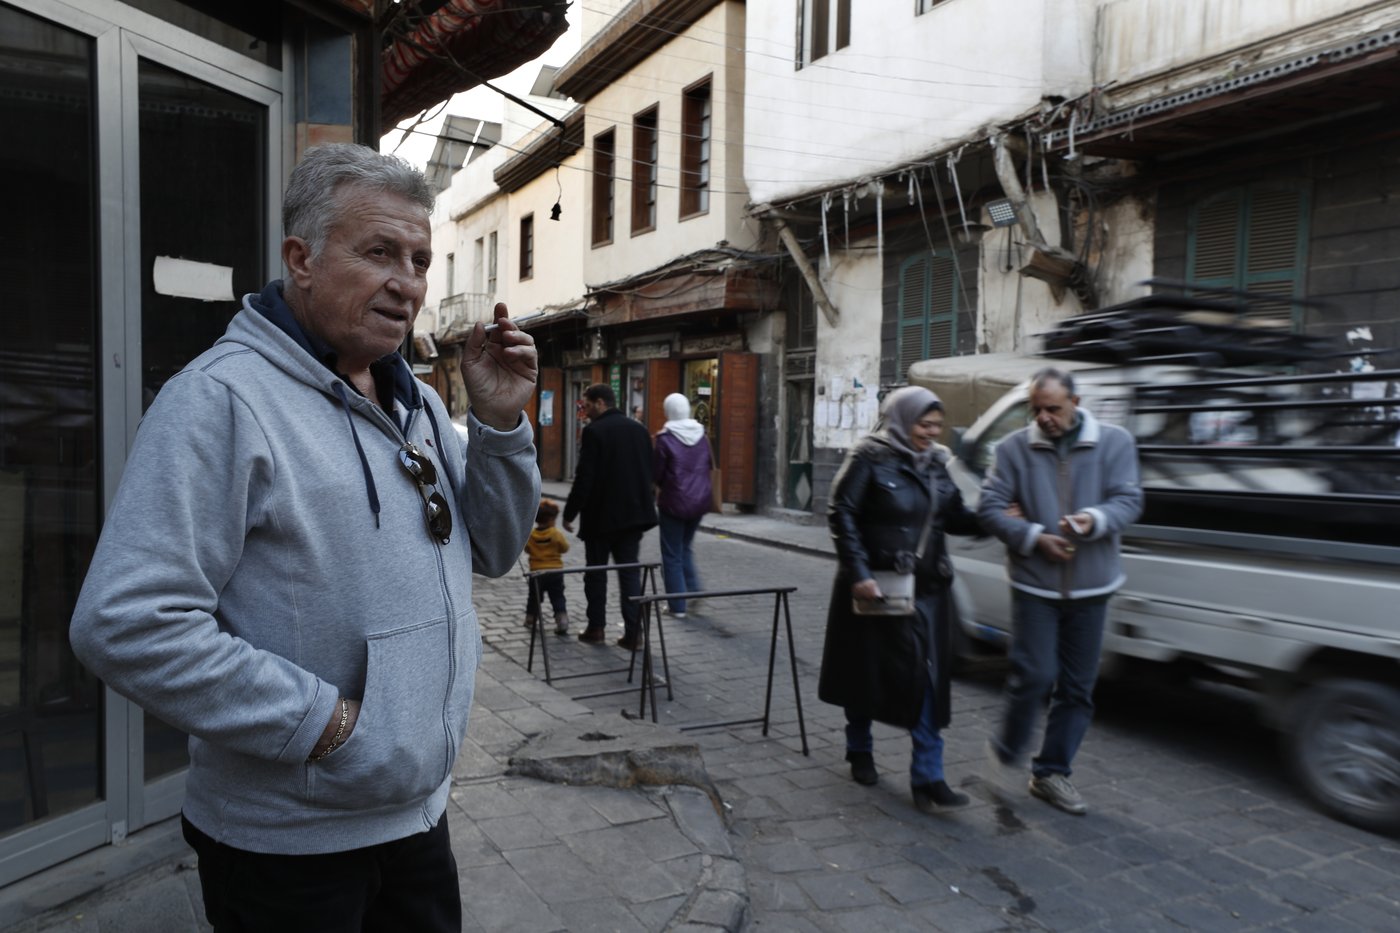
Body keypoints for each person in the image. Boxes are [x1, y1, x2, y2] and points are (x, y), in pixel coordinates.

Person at [69, 143, 540, 930]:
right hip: (291, 847)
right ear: (303, 259)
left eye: (421, 259)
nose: (408, 282)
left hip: (417, 815)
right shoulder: (220, 401)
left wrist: (497, 424)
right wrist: (328, 726)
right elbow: (125, 622)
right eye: (380, 252)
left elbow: (493, 548)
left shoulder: (416, 402)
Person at [978, 367, 1143, 815]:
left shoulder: (1115, 443)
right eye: (1036, 409)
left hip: (1094, 586)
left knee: (1078, 688)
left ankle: (1051, 773)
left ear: (1075, 402)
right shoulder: (1013, 448)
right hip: (1035, 586)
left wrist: (1094, 520)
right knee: (1033, 675)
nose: (1044, 418)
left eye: (1053, 408)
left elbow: (1130, 500)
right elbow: (990, 507)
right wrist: (1034, 537)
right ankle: (1007, 747)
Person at [817, 386, 982, 813]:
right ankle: (859, 748)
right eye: (923, 424)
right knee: (865, 671)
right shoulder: (868, 456)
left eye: (937, 426)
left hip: (927, 589)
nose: (931, 432)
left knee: (927, 678)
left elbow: (956, 516)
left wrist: (995, 517)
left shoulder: (938, 464)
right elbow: (842, 513)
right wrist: (859, 573)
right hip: (877, 586)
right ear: (902, 419)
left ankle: (928, 776)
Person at [563, 384, 657, 650]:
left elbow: (585, 477)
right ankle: (634, 634)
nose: (585, 411)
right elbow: (648, 472)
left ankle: (596, 628)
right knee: (629, 573)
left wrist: (570, 513)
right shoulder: (639, 430)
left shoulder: (594, 432)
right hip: (633, 516)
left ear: (601, 403)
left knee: (597, 574)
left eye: (587, 406)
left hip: (601, 518)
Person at [652, 393, 713, 618]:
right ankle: (694, 588)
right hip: (700, 500)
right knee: (684, 547)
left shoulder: (666, 438)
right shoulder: (702, 435)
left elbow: (657, 473)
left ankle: (677, 605)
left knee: (671, 554)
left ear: (669, 411)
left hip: (674, 502)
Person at [524, 498, 571, 634]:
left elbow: (527, 549)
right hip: (555, 572)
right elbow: (565, 548)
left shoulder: (531, 535)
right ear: (551, 519)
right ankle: (562, 620)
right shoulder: (555, 534)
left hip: (536, 572)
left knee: (534, 597)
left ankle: (531, 619)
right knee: (557, 596)